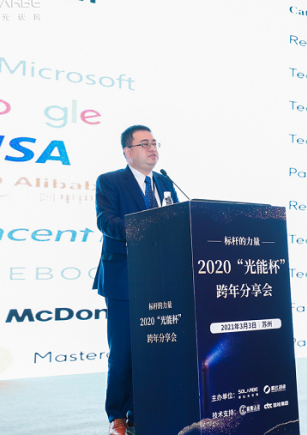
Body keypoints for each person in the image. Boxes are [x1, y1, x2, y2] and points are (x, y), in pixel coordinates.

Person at [93, 125, 179, 435]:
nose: (152, 148)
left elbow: (175, 220)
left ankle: (142, 410)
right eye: (144, 144)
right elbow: (106, 222)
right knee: (124, 351)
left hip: (160, 278)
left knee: (155, 350)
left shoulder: (164, 182)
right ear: (127, 152)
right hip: (124, 278)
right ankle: (117, 414)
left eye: (154, 143)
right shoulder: (110, 181)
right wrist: (148, 228)